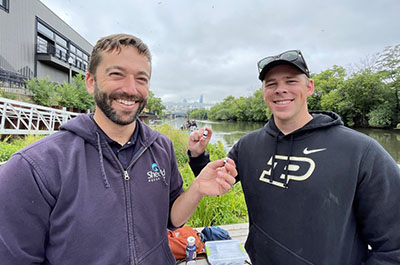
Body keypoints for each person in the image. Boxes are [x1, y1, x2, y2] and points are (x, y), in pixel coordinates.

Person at [0, 33, 236, 265]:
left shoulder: (161, 147)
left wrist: (196, 189)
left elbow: (172, 220)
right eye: (116, 74)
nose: (131, 89)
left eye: (141, 79)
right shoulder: (33, 166)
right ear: (91, 82)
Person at [188, 50, 400, 264]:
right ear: (263, 92)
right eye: (271, 84)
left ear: (309, 87)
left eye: (291, 81)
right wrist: (198, 156)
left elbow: (393, 247)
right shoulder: (247, 146)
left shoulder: (361, 151)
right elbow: (218, 182)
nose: (280, 90)